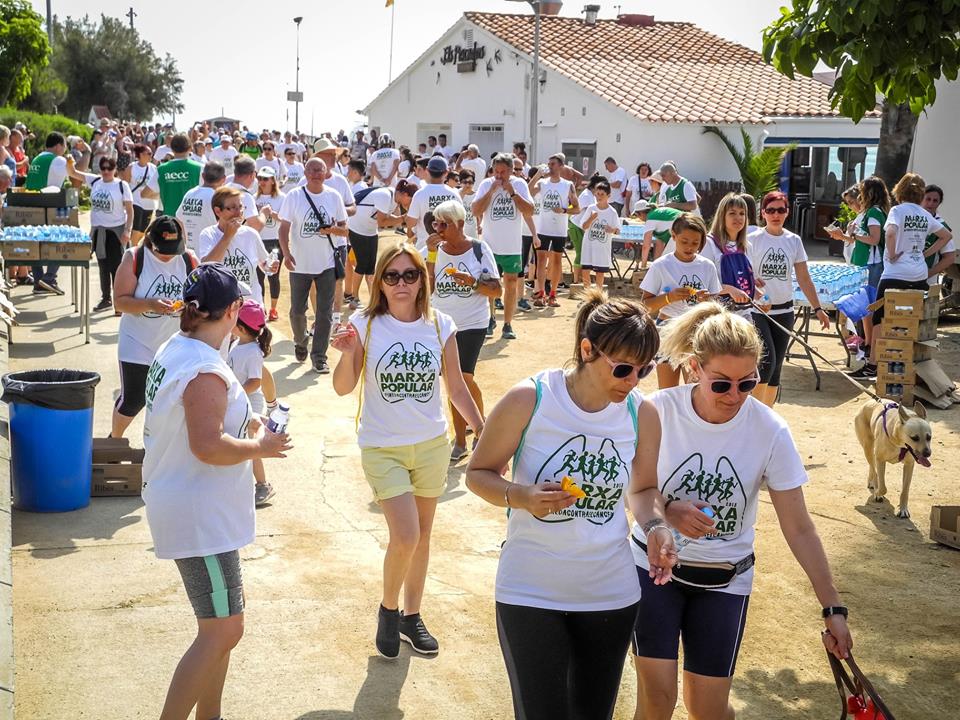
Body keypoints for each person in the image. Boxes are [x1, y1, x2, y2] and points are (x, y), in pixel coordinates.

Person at [631, 301, 853, 720]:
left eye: (746, 384)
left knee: (709, 711)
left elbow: (799, 528)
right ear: (695, 368)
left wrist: (833, 608)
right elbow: (638, 489)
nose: (734, 396)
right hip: (653, 572)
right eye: (721, 384)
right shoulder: (656, 410)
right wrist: (669, 511)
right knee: (658, 700)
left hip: (725, 580)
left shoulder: (769, 430)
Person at [466, 289, 671, 720]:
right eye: (622, 368)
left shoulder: (641, 414)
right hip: (530, 589)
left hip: (610, 593)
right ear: (586, 349)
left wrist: (655, 528)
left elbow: (644, 489)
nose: (632, 381)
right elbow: (478, 472)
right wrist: (520, 497)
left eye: (644, 370)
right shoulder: (531, 399)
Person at [141, 263, 291, 720]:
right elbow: (206, 445)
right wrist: (260, 446)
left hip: (192, 506)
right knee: (223, 630)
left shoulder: (180, 346)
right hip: (199, 515)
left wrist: (248, 424)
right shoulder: (204, 366)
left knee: (219, 628)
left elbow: (205, 421)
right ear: (230, 311)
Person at [331, 243, 484, 659]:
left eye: (409, 275)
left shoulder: (441, 324)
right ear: (379, 281)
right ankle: (388, 607)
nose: (401, 283)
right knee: (406, 535)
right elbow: (344, 387)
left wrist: (482, 431)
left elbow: (456, 388)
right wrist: (346, 357)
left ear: (423, 280)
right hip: (383, 447)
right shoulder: (365, 324)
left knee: (423, 536)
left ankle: (411, 616)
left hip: (432, 444)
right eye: (392, 275)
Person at [424, 200, 501, 459]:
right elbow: (426, 287)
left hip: (472, 323)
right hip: (441, 325)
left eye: (443, 224)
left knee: (462, 379)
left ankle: (468, 437)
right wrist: (431, 256)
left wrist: (472, 282)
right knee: (456, 381)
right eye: (435, 223)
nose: (438, 228)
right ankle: (474, 428)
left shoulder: (479, 249)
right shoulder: (432, 250)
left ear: (459, 224)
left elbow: (496, 290)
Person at [112, 216, 199, 439]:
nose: (169, 255)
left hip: (174, 343)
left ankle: (158, 446)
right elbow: (120, 302)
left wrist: (188, 307)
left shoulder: (188, 259)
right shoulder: (135, 257)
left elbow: (198, 296)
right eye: (164, 250)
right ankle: (115, 439)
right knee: (134, 399)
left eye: (174, 249)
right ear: (151, 241)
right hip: (137, 340)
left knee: (171, 399)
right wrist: (150, 304)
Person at [859, 173, 952, 379]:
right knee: (911, 319)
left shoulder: (897, 211)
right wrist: (926, 253)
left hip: (895, 273)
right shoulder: (924, 214)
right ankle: (907, 364)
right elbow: (946, 236)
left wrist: (891, 254)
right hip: (918, 275)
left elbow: (890, 233)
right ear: (920, 193)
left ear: (899, 191)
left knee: (879, 319)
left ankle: (873, 365)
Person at [748, 191, 831, 406]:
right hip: (758, 311)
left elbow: (803, 277)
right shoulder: (752, 239)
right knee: (765, 363)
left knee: (776, 368)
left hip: (785, 310)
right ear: (763, 213)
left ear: (788, 212)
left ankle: (767, 414)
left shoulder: (793, 241)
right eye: (771, 210)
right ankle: (754, 413)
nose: (776, 215)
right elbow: (743, 273)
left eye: (781, 210)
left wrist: (818, 308)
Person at [279, 157, 349, 373]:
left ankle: (319, 356)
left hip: (326, 263)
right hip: (300, 264)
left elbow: (344, 229)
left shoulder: (333, 196)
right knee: (297, 311)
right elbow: (283, 228)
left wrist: (331, 231)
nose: (316, 173)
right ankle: (300, 341)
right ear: (305, 173)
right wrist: (286, 253)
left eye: (320, 170)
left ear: (326, 172)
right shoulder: (294, 196)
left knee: (324, 313)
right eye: (312, 170)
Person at [640, 213, 722, 389]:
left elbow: (717, 304)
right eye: (684, 241)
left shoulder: (707, 266)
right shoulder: (661, 265)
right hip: (667, 328)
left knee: (695, 389)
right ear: (673, 236)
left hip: (698, 330)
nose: (690, 247)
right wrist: (669, 298)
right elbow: (645, 305)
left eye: (695, 243)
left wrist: (705, 301)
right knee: (667, 391)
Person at [471, 153, 534, 340]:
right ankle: (490, 319)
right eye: (496, 171)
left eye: (503, 172)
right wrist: (491, 191)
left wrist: (512, 192)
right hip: (490, 245)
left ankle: (507, 324)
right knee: (490, 284)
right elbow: (475, 210)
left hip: (512, 246)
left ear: (511, 170)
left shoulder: (520, 184)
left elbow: (529, 211)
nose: (499, 176)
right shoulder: (486, 184)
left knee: (511, 284)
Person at [68, 156, 134, 312]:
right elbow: (73, 173)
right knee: (103, 266)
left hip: (116, 231)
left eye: (109, 168)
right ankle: (106, 299)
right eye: (103, 168)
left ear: (115, 169)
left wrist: (128, 230)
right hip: (98, 231)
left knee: (117, 268)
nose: (105, 171)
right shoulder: (95, 181)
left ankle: (120, 301)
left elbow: (130, 211)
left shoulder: (121, 186)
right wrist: (70, 160)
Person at [228, 300, 277, 506]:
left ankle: (263, 484)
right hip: (237, 399)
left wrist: (236, 393)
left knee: (250, 443)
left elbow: (256, 381)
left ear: (240, 328)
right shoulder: (237, 343)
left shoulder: (252, 352)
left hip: (250, 401)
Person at [199, 186, 275, 310]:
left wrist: (270, 266)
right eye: (232, 208)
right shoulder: (208, 234)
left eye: (240, 207)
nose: (238, 212)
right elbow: (207, 266)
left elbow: (264, 263)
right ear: (218, 211)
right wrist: (227, 237)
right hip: (222, 306)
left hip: (251, 305)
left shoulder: (251, 234)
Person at [529, 154, 579, 307]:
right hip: (543, 227)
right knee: (541, 261)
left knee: (556, 262)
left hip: (559, 229)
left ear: (560, 166)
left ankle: (553, 294)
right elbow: (529, 191)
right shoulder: (543, 183)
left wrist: (564, 210)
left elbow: (577, 208)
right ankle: (541, 292)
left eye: (553, 164)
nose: (550, 166)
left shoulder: (567, 185)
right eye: (549, 164)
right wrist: (537, 175)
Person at [26, 131, 70, 295]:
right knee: (61, 240)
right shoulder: (57, 160)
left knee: (35, 243)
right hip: (50, 205)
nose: (65, 150)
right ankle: (49, 278)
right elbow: (75, 174)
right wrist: (86, 152)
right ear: (58, 146)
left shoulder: (38, 158)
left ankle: (38, 281)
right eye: (64, 146)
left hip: (30, 204)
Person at [346, 166, 398, 302]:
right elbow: (382, 222)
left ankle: (373, 299)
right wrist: (402, 219)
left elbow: (386, 218)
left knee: (371, 268)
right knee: (362, 265)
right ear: (403, 194)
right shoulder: (385, 195)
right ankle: (354, 297)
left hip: (369, 230)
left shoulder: (392, 199)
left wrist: (401, 218)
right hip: (356, 228)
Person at [701, 193, 756, 318]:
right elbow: (702, 283)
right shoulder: (709, 244)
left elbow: (744, 282)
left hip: (744, 315)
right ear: (722, 216)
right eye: (732, 213)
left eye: (742, 213)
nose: (738, 217)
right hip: (716, 316)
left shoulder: (747, 246)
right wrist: (730, 289)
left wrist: (758, 293)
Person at [406, 156, 462, 249]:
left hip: (425, 247)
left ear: (427, 170)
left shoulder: (420, 194)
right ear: (446, 172)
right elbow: (460, 222)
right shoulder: (454, 194)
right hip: (448, 248)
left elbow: (410, 223)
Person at [254, 167, 287, 321]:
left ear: (273, 180)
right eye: (260, 178)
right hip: (258, 241)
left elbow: (288, 220)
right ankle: (261, 308)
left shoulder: (282, 198)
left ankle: (273, 309)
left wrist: (273, 214)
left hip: (275, 240)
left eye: (265, 179)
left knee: (273, 276)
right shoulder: (254, 198)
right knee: (258, 277)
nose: (262, 182)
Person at [178, 162, 227, 254]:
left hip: (190, 252)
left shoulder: (190, 193)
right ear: (223, 179)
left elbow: (179, 219)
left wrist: (186, 242)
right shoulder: (217, 197)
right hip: (211, 251)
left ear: (203, 176)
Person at [580, 180, 620, 289]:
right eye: (597, 194)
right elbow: (583, 226)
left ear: (608, 196)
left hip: (602, 247)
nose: (599, 196)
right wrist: (591, 219)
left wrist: (612, 229)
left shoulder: (612, 212)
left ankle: (598, 295)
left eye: (602, 194)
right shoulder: (591, 208)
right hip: (589, 245)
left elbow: (618, 230)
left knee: (600, 272)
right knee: (585, 270)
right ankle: (587, 294)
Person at [157, 134, 203, 216]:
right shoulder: (200, 168)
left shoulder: (161, 169)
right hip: (193, 218)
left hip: (170, 218)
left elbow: (146, 193)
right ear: (190, 148)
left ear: (171, 148)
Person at [920, 183, 956, 287]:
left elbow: (950, 258)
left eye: (935, 200)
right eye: (928, 199)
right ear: (921, 199)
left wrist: (928, 274)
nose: (930, 203)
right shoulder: (911, 219)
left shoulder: (941, 226)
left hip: (925, 282)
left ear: (939, 203)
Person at [129, 143, 161, 246]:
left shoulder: (153, 168)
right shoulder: (132, 167)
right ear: (141, 154)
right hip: (136, 201)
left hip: (149, 204)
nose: (151, 156)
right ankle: (133, 250)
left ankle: (133, 245)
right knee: (136, 227)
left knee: (143, 230)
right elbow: (124, 184)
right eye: (149, 153)